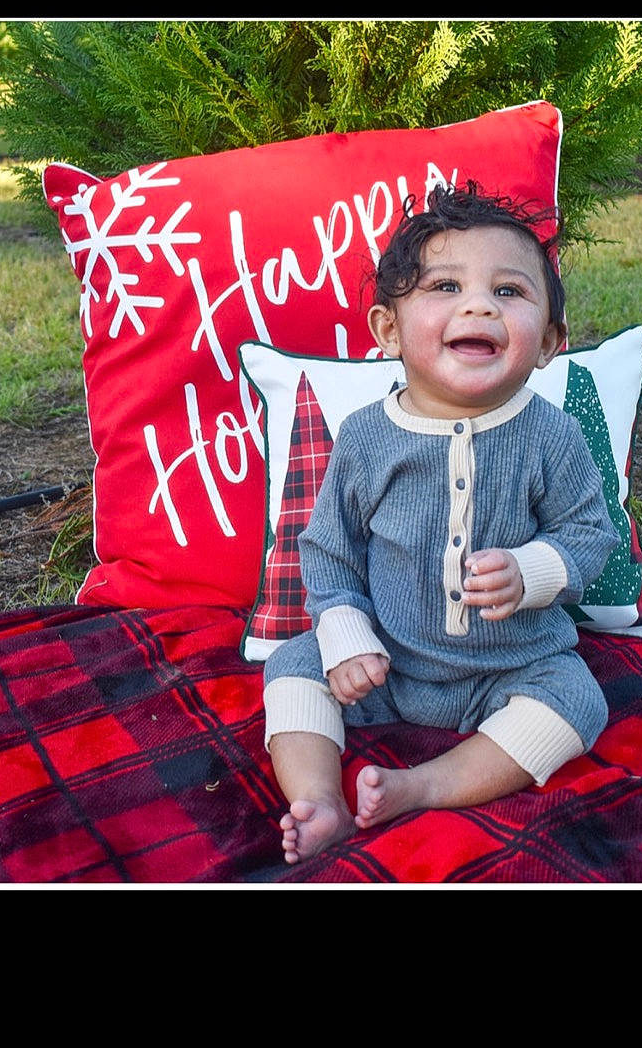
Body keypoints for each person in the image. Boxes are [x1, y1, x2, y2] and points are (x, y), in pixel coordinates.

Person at [262, 180, 620, 864]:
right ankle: (319, 801)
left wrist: (533, 570)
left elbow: (586, 535)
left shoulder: (552, 436)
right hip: (386, 662)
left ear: (548, 341)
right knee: (293, 664)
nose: (479, 304)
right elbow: (329, 554)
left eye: (509, 292)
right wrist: (344, 635)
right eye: (445, 287)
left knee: (577, 702)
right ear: (388, 329)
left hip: (512, 667)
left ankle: (421, 787)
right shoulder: (367, 438)